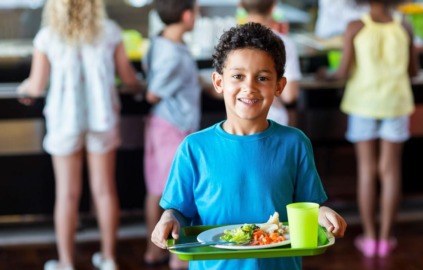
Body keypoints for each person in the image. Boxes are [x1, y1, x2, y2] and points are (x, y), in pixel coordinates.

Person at [151, 22, 347, 270]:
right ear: (219, 82)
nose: (250, 87)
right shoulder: (194, 148)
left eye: (263, 78)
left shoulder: (295, 143)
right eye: (238, 76)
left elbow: (309, 207)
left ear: (279, 86)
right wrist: (169, 218)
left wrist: (322, 214)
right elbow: (178, 210)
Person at [17, 0, 142, 269]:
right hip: (103, 118)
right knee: (106, 190)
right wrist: (139, 85)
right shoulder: (110, 31)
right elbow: (129, 78)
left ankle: (66, 262)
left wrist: (24, 89)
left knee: (67, 194)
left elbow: (36, 86)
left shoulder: (47, 37)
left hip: (65, 121)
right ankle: (108, 258)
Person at [316, 0, 419, 258]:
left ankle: (370, 238)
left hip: (363, 104)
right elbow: (414, 71)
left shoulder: (355, 26)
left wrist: (324, 74)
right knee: (391, 171)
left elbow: (341, 72)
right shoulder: (405, 26)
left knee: (367, 170)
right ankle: (385, 240)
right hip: (396, 103)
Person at [141, 0, 201, 269]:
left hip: (160, 124)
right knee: (178, 193)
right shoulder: (175, 54)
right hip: (174, 129)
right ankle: (178, 257)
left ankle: (153, 251)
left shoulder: (159, 42)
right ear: (187, 15)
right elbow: (154, 91)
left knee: (157, 188)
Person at [239, 0, 301, 126]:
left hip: (238, 121)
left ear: (240, 6)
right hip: (273, 121)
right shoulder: (284, 43)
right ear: (273, 7)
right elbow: (290, 95)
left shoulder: (232, 42)